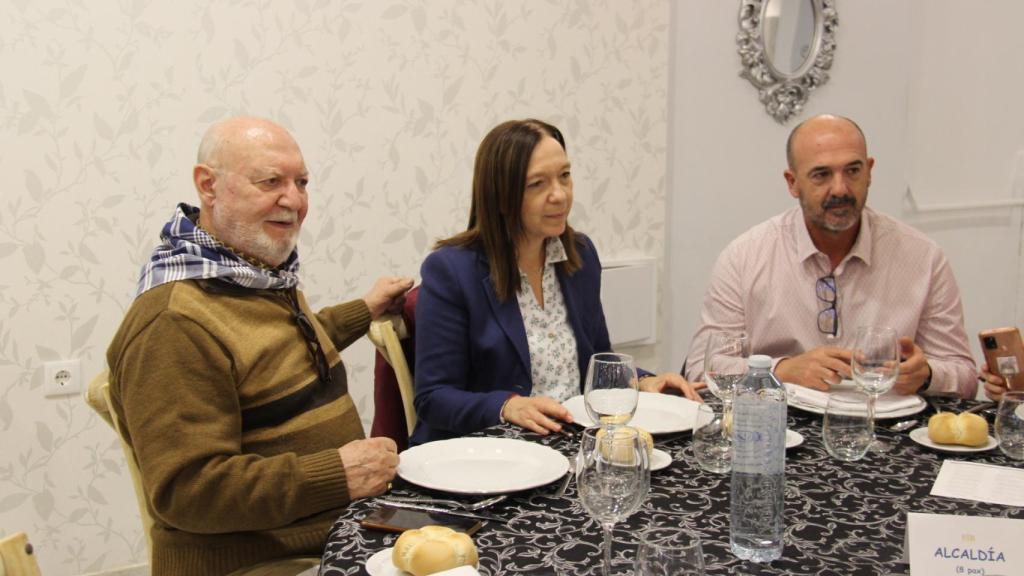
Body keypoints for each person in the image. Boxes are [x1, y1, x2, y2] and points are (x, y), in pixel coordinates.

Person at [105, 116, 412, 575]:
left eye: (301, 182)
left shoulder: (250, 275)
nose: (294, 200)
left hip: (332, 527)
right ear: (208, 186)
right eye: (271, 181)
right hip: (263, 561)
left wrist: (362, 309)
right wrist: (336, 474)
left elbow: (276, 353)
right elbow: (187, 491)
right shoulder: (173, 322)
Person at [412, 119, 701, 445]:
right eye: (537, 184)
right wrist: (507, 405)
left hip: (571, 443)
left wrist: (643, 382)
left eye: (565, 175)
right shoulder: (451, 270)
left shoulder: (579, 255)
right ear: (501, 195)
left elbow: (598, 363)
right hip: (489, 454)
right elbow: (433, 398)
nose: (560, 194)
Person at [685, 114, 977, 398]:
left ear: (870, 171)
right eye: (821, 175)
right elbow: (702, 368)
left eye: (852, 171)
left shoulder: (923, 258)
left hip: (888, 431)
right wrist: (782, 370)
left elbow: (964, 376)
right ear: (792, 182)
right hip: (778, 428)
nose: (840, 189)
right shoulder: (745, 257)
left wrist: (926, 375)